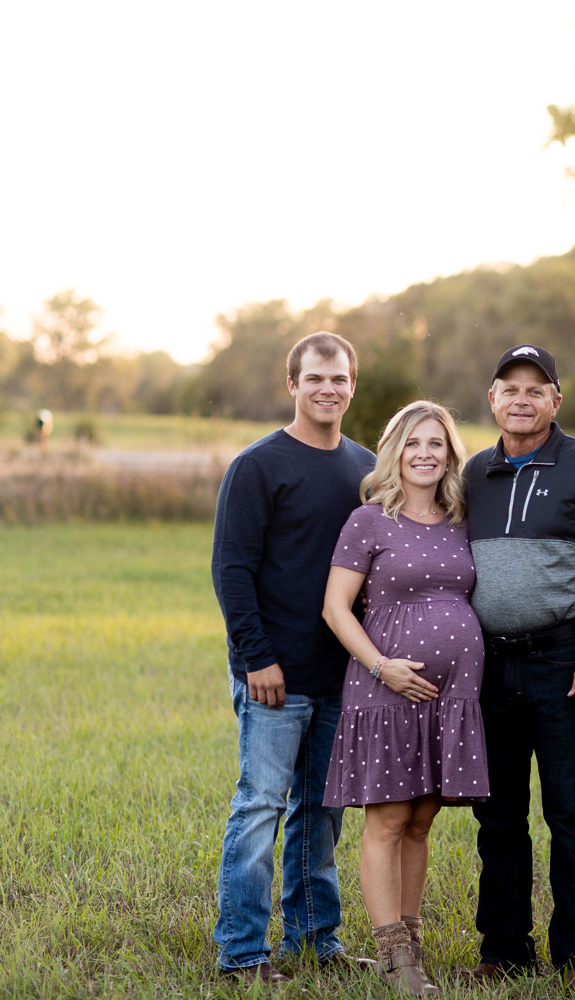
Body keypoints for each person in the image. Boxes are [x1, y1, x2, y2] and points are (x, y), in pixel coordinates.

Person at [461, 345, 575, 987]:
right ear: (493, 398)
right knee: (498, 817)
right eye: (510, 388)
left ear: (556, 401)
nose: (522, 400)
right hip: (491, 672)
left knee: (569, 815)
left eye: (536, 389)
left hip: (565, 664)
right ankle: (502, 949)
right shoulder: (474, 473)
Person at [210, 332, 376, 983]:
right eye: (315, 379)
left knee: (322, 813)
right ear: (293, 385)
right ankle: (243, 952)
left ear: (352, 386)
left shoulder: (363, 468)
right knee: (259, 808)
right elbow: (232, 569)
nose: (327, 389)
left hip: (340, 675)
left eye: (338, 379)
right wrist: (256, 658)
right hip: (273, 676)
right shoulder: (258, 466)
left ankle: (313, 941)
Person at [321, 400, 487, 994]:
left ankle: (411, 943)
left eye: (436, 444)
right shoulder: (369, 520)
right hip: (384, 685)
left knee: (422, 817)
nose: (424, 454)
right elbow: (335, 607)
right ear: (395, 450)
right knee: (389, 817)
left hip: (451, 696)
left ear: (449, 455)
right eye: (413, 443)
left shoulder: (460, 517)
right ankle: (395, 958)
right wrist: (382, 666)